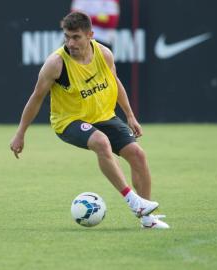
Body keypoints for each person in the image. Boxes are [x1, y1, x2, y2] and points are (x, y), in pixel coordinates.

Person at [10, 11, 169, 229]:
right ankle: (134, 202)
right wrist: (20, 133)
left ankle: (147, 219)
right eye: (67, 36)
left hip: (104, 116)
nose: (70, 42)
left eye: (76, 37)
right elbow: (36, 99)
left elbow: (115, 83)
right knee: (101, 142)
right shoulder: (56, 64)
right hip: (68, 121)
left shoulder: (104, 54)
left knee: (137, 155)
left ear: (90, 35)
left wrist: (130, 115)